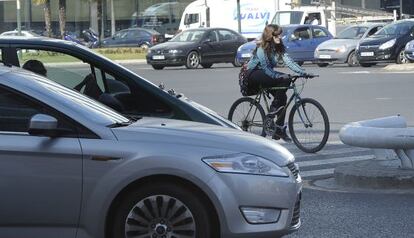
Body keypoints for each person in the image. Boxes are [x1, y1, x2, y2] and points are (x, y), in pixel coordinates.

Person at [246, 24, 308, 141]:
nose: (280, 37)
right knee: (284, 78)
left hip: (266, 74)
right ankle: (273, 110)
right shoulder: (261, 48)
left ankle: (278, 130)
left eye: (280, 35)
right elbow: (265, 68)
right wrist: (278, 76)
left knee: (283, 98)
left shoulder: (278, 47)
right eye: (277, 35)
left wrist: (302, 72)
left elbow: (288, 61)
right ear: (270, 36)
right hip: (254, 73)